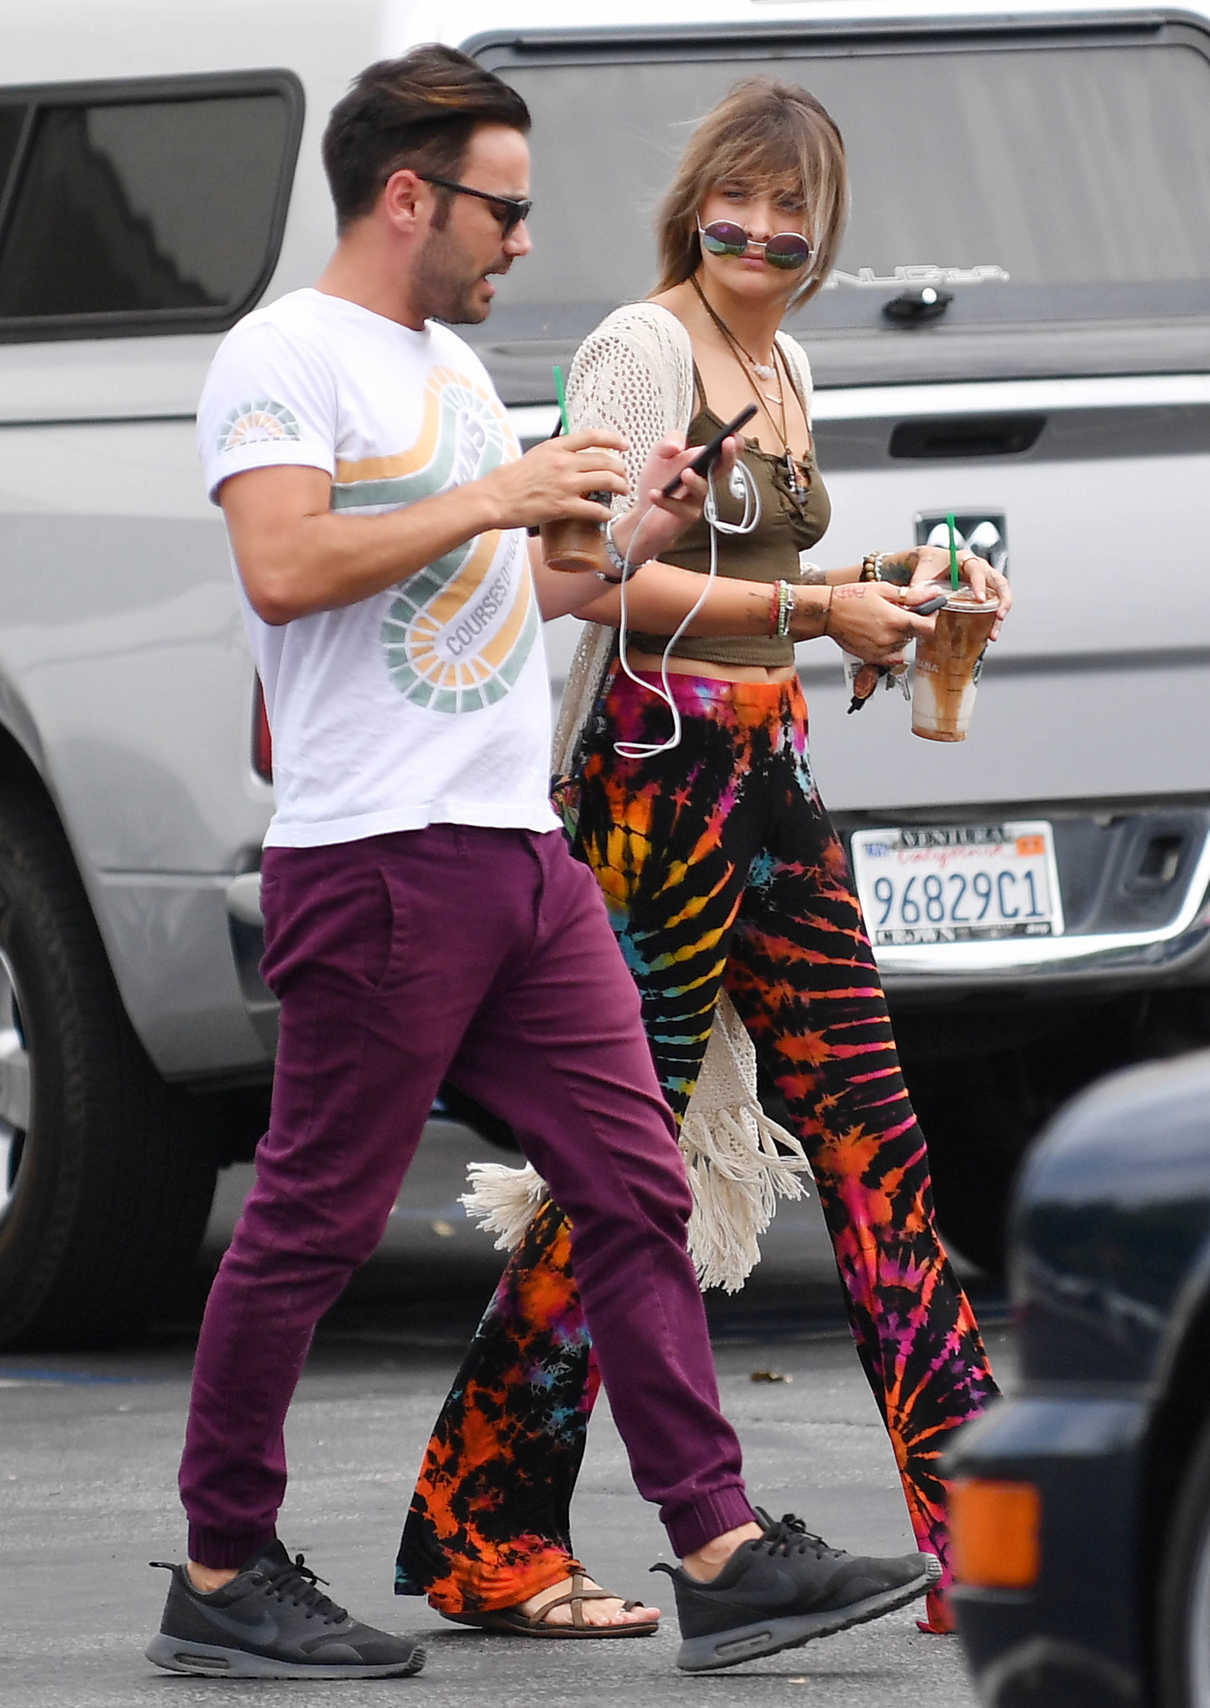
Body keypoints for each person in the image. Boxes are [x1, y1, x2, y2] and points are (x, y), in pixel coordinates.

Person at [144, 47, 943, 1683]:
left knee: (637, 1184)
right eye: (503, 208)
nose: (524, 240)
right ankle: (221, 1568)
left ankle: (719, 1548)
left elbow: (544, 595)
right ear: (409, 194)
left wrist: (638, 523)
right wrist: (501, 492)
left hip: (518, 849)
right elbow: (287, 564)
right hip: (377, 857)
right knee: (312, 1217)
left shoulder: (444, 367)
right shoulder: (284, 357)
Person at [398, 75, 1008, 1641]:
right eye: (733, 212)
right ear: (694, 210)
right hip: (655, 792)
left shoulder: (782, 354)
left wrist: (887, 591)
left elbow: (767, 568)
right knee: (619, 1174)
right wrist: (814, 613)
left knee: (879, 1146)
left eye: (788, 222)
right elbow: (588, 580)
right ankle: (485, 1529)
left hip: (774, 779)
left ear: (821, 238)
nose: (757, 238)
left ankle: (985, 1539)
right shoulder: (639, 344)